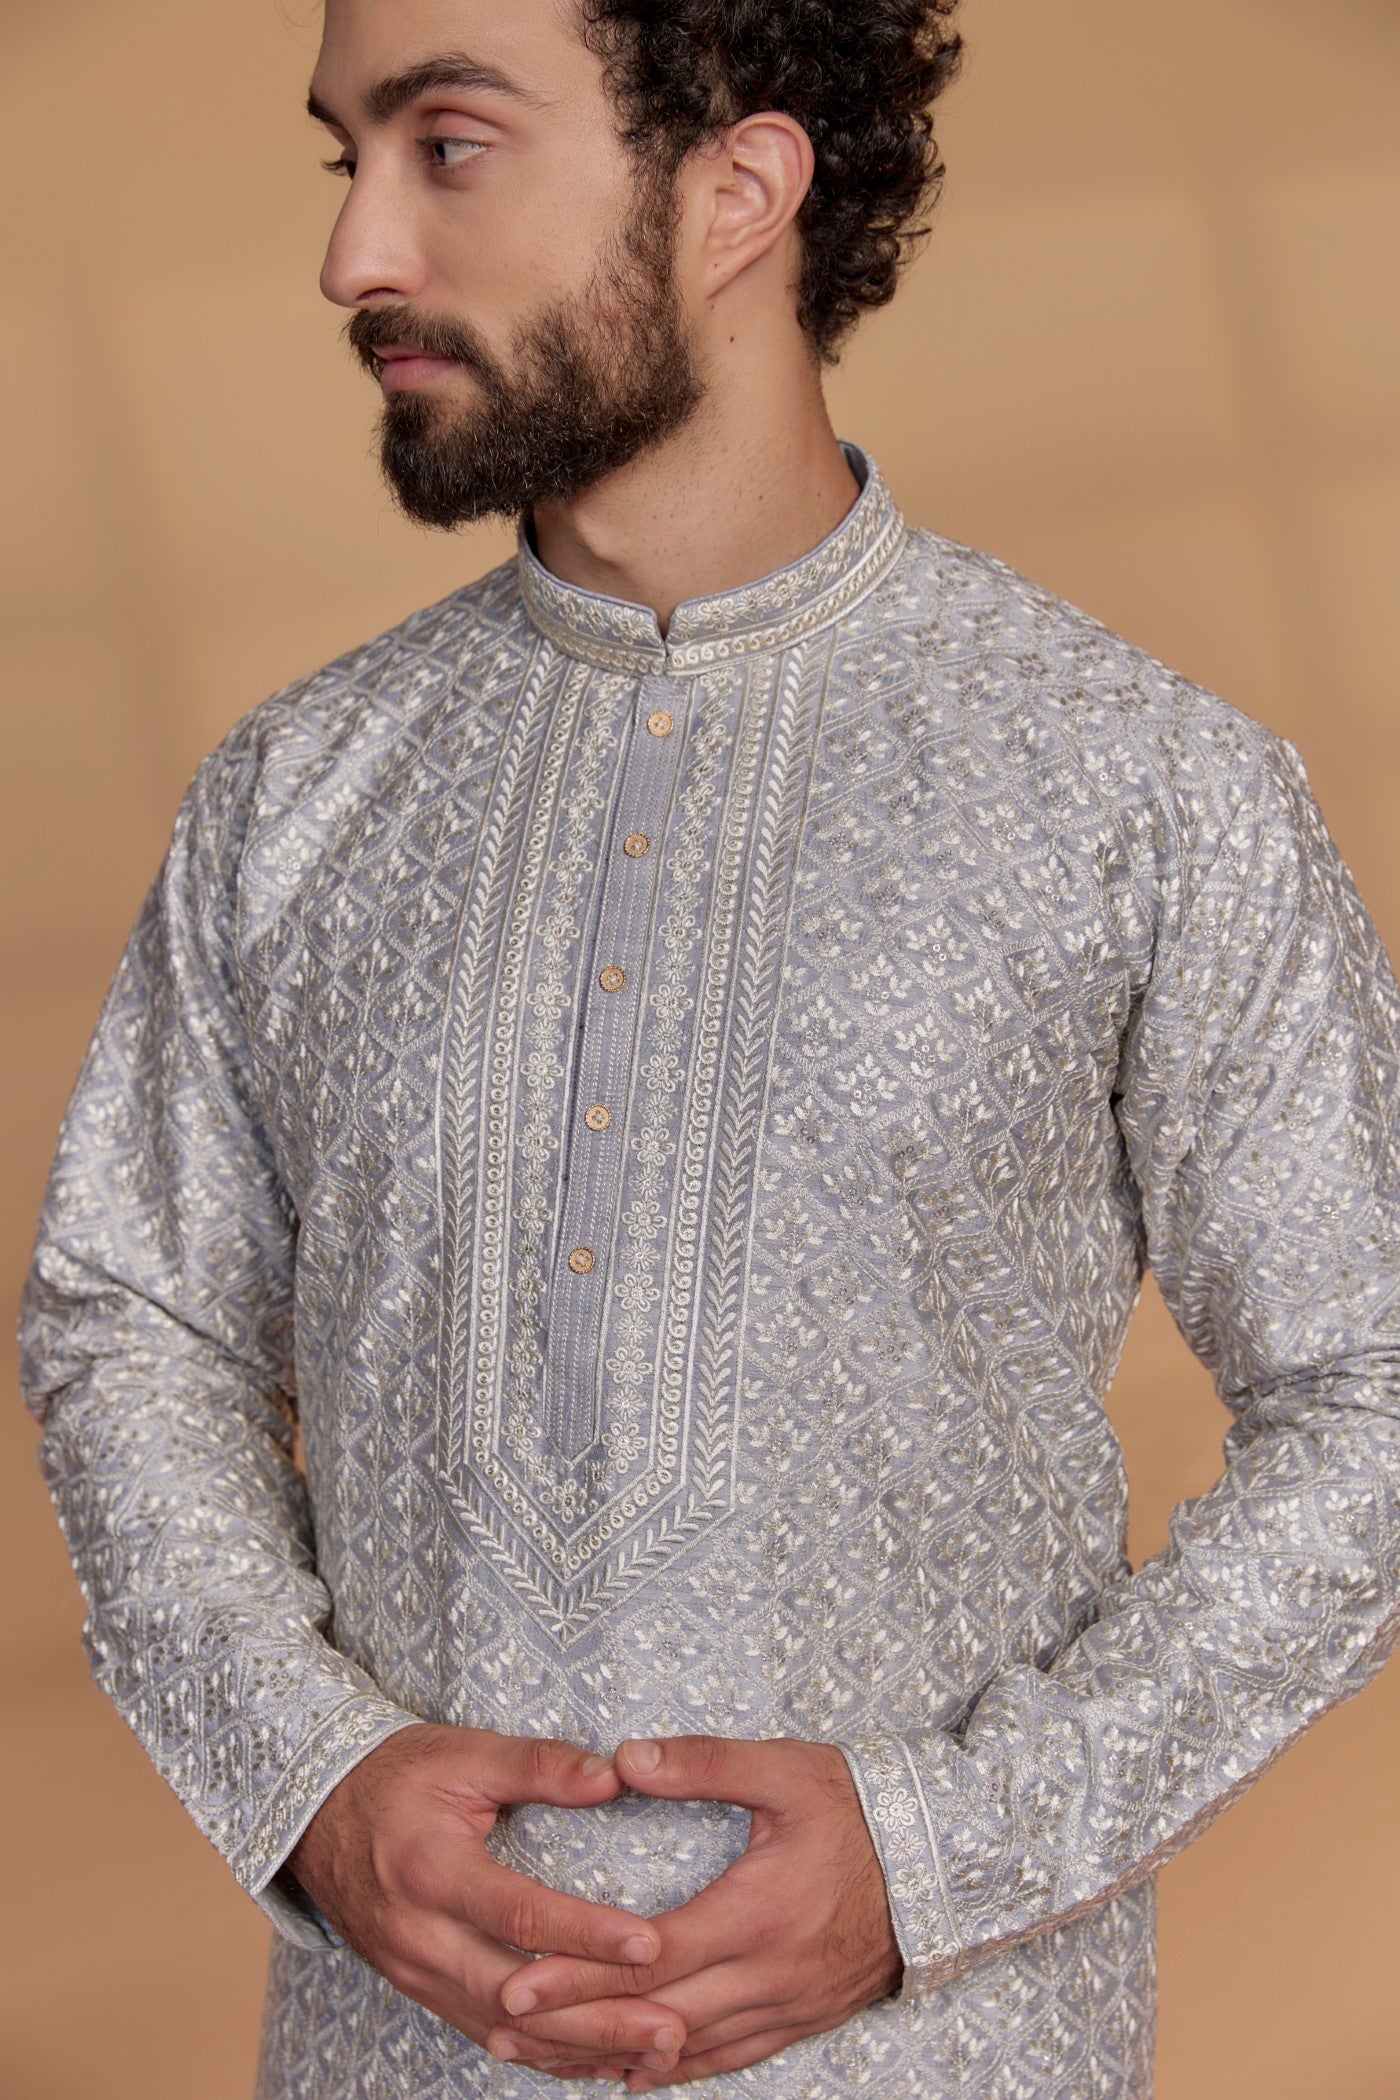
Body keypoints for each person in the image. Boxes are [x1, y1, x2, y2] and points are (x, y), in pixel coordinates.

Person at [19, 0, 1400, 2093]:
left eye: (446, 146)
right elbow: (133, 1320)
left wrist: (947, 1850)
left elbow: (1374, 1397)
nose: (354, 254)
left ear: (739, 189)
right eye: (343, 159)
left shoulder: (1137, 788)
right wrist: (305, 1776)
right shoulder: (297, 799)